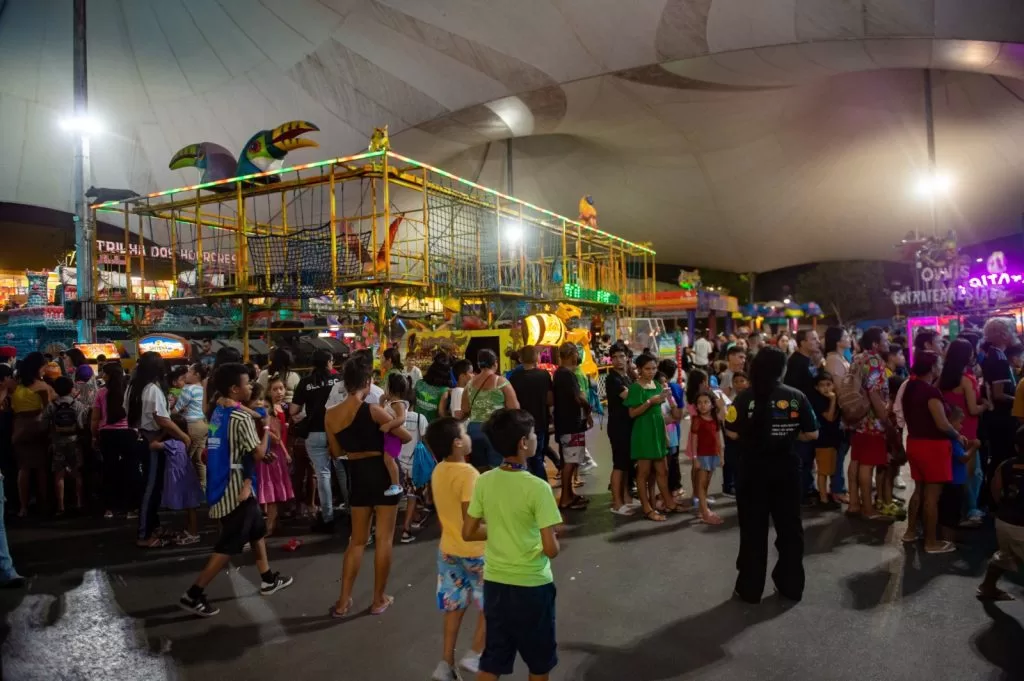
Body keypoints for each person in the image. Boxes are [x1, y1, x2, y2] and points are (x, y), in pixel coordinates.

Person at [178, 363, 293, 617]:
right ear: (234, 389)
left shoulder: (218, 412)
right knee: (229, 545)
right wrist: (265, 426)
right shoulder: (240, 418)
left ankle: (268, 579)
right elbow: (260, 453)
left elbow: (218, 440)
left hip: (221, 480)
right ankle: (193, 593)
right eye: (247, 383)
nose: (251, 387)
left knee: (257, 530)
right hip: (235, 489)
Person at [462, 409, 562, 681]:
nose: (536, 438)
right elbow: (551, 549)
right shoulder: (538, 487)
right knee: (539, 664)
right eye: (533, 434)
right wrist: (549, 535)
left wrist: (501, 528)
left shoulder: (484, 481)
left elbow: (468, 532)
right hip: (532, 586)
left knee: (493, 660)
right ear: (523, 443)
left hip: (496, 585)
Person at [725, 346, 818, 604]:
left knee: (753, 531)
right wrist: (789, 435)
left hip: (752, 471)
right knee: (790, 530)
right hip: (786, 471)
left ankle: (750, 588)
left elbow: (731, 431)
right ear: (781, 369)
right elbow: (812, 433)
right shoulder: (796, 396)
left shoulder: (744, 398)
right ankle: (791, 586)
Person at [326, 359, 411, 618]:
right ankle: (378, 599)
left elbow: (336, 451)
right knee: (384, 539)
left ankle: (343, 602)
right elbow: (404, 436)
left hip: (357, 474)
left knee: (357, 541)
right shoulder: (374, 410)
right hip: (382, 474)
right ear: (367, 382)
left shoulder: (330, 415)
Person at [426, 417, 486, 681]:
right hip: (476, 552)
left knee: (454, 606)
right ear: (457, 443)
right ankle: (476, 652)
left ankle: (446, 663)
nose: (469, 435)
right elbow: (471, 524)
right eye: (465, 432)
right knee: (493, 603)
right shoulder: (469, 474)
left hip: (449, 551)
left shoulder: (439, 470)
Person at [901, 351, 964, 554]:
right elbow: (942, 423)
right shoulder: (930, 393)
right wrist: (958, 435)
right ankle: (931, 542)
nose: (941, 368)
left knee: (918, 490)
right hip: (933, 447)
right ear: (932, 368)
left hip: (914, 443)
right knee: (932, 496)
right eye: (939, 364)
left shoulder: (910, 387)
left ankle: (910, 531)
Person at [127, 352, 190, 547]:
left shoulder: (132, 387)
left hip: (138, 436)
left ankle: (153, 526)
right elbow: (162, 419)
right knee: (150, 487)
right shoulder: (152, 389)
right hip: (151, 439)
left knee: (150, 486)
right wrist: (183, 436)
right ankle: (144, 535)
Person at [625, 354, 685, 522]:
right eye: (647, 369)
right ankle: (647, 508)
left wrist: (664, 434)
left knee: (662, 470)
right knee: (643, 473)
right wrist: (649, 402)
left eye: (653, 368)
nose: (651, 372)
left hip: (658, 430)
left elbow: (662, 411)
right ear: (639, 369)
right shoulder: (636, 387)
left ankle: (669, 502)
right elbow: (632, 413)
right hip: (644, 431)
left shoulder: (657, 385)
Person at [290, 349, 344, 532]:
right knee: (342, 471)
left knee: (322, 474)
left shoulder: (306, 382)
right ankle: (351, 510)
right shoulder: (338, 380)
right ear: (329, 362)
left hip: (314, 432)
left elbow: (293, 410)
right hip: (337, 432)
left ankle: (327, 517)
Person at [940, 338, 987, 526]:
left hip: (950, 429)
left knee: (957, 473)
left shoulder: (941, 378)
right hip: (967, 430)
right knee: (972, 474)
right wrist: (986, 405)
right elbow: (973, 409)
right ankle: (970, 511)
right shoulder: (966, 380)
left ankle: (958, 512)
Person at [847, 327, 892, 521]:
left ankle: (854, 503)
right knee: (868, 465)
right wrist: (884, 418)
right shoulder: (874, 361)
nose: (887, 343)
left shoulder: (857, 358)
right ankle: (867, 508)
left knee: (856, 460)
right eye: (884, 340)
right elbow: (874, 393)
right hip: (871, 420)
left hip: (857, 418)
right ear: (875, 344)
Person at [976, 425, 1024, 601]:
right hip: (1021, 526)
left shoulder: (1005, 465)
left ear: (1017, 447)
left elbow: (995, 489)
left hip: (1003, 521)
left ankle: (987, 587)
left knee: (1006, 554)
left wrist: (1004, 508)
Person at [93, 362, 138, 519]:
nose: (102, 375)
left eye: (104, 373)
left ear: (109, 375)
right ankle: (131, 507)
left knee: (109, 470)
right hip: (128, 433)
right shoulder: (129, 391)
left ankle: (109, 508)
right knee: (130, 469)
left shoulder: (101, 393)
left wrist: (94, 435)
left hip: (107, 434)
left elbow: (95, 418)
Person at [12, 352, 54, 517]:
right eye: (43, 367)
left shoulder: (16, 385)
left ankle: (23, 506)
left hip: (19, 428)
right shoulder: (42, 386)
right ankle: (43, 503)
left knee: (23, 468)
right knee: (41, 468)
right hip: (37, 426)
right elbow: (49, 409)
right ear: (38, 367)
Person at [463, 349, 519, 471]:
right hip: (495, 429)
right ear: (495, 363)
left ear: (479, 365)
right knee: (496, 468)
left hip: (474, 430)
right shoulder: (501, 382)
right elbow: (514, 408)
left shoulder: (469, 384)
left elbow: (465, 409)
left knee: (479, 469)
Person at [551, 343, 590, 511]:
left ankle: (569, 494)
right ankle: (566, 498)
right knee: (570, 461)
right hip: (571, 424)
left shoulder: (560, 374)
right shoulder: (566, 375)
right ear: (573, 355)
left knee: (570, 460)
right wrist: (588, 410)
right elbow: (578, 397)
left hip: (566, 423)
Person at [784, 330, 820, 503]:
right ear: (802, 342)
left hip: (809, 414)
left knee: (808, 457)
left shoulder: (809, 360)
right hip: (800, 417)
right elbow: (793, 393)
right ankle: (801, 493)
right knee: (802, 456)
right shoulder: (796, 362)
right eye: (813, 339)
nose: (817, 341)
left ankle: (808, 487)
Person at [44, 376, 88, 516]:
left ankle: (61, 506)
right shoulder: (77, 405)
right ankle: (79, 503)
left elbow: (44, 424)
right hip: (74, 441)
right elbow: (82, 424)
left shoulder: (52, 405)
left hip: (57, 442)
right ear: (70, 389)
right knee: (77, 472)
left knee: (59, 474)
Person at [508, 345, 553, 482]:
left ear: (520, 359)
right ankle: (543, 487)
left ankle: (528, 486)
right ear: (536, 357)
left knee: (525, 458)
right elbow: (550, 400)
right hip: (540, 421)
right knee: (538, 457)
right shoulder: (544, 375)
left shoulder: (514, 377)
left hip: (521, 423)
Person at [156, 414, 203, 544]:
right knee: (190, 506)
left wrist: (163, 433)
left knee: (190, 506)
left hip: (181, 478)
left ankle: (193, 533)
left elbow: (153, 445)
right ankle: (191, 530)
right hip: (188, 476)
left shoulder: (172, 443)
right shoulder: (185, 441)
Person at [257, 374, 295, 537]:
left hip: (279, 451)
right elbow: (272, 434)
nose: (279, 392)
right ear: (268, 391)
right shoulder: (267, 407)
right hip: (270, 452)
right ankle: (268, 526)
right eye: (275, 389)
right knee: (270, 490)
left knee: (276, 489)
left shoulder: (282, 407)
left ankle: (273, 523)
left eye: (281, 388)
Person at [604, 344, 636, 514]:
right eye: (614, 357)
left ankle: (626, 496)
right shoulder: (613, 379)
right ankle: (617, 503)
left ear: (627, 358)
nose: (618, 360)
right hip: (618, 426)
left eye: (621, 356)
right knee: (619, 465)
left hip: (628, 425)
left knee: (626, 464)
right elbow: (630, 397)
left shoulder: (626, 377)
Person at [937, 407, 978, 536]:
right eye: (960, 423)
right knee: (950, 515)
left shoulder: (953, 440)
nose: (961, 426)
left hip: (955, 481)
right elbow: (963, 458)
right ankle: (947, 539)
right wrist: (974, 448)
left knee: (952, 514)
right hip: (953, 483)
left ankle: (949, 537)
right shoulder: (952, 441)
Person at [172, 363, 209, 492]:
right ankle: (203, 488)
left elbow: (176, 410)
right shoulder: (202, 388)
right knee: (199, 459)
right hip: (204, 425)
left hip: (193, 426)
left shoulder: (188, 389)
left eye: (189, 372)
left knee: (185, 458)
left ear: (196, 375)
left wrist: (168, 413)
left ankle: (183, 490)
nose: (186, 375)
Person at [689, 391, 723, 524]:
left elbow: (718, 439)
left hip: (713, 455)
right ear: (696, 406)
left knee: (706, 483)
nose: (702, 405)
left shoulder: (715, 419)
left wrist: (721, 456)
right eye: (699, 403)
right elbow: (694, 441)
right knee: (701, 485)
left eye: (706, 402)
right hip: (702, 456)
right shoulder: (697, 420)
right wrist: (695, 458)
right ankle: (705, 513)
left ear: (712, 405)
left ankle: (702, 509)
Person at [809, 372, 841, 510]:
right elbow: (829, 417)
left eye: (828, 384)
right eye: (822, 385)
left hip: (832, 439)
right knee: (823, 471)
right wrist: (833, 400)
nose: (826, 388)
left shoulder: (831, 398)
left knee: (829, 469)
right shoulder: (818, 401)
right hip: (823, 440)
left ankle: (826, 495)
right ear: (816, 388)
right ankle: (823, 499)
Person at [379, 372, 411, 497]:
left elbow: (401, 418)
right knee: (388, 459)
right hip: (389, 436)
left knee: (389, 459)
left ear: (391, 388)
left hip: (394, 436)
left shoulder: (398, 403)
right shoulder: (390, 402)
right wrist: (382, 401)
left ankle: (396, 485)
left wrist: (389, 425)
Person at [721, 371, 749, 497]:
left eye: (742, 381)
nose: (739, 384)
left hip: (745, 438)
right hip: (732, 437)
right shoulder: (729, 401)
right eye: (736, 382)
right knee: (731, 461)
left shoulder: (751, 399)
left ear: (748, 383)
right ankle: (729, 486)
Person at [416, 354, 453, 423]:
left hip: (416, 423)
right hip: (431, 426)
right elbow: (441, 413)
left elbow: (413, 404)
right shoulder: (444, 390)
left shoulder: (419, 383)